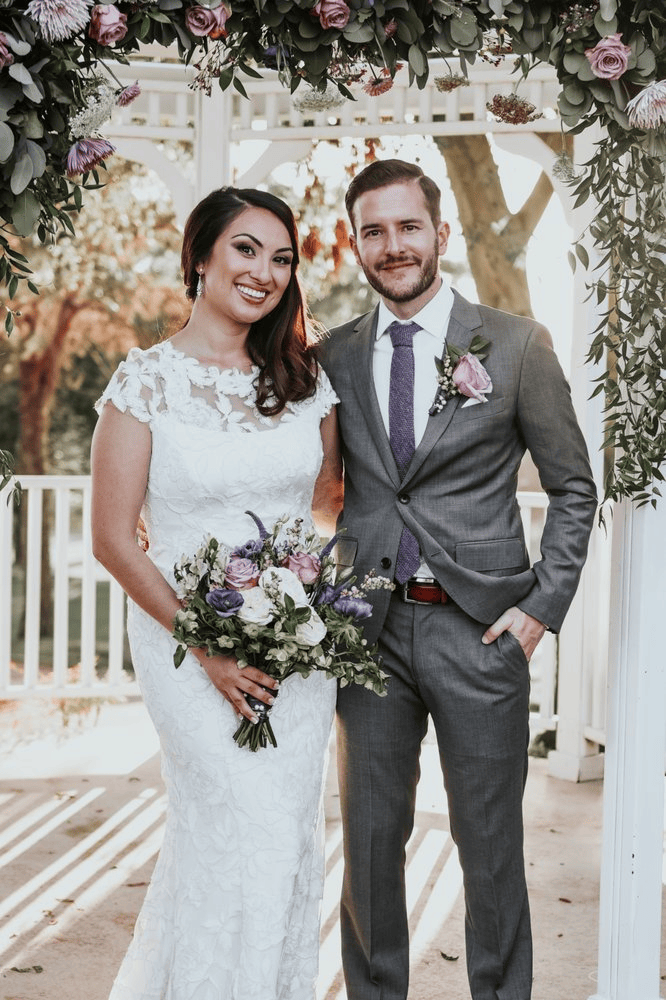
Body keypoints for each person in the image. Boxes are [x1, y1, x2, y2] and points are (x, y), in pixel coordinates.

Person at [319, 159, 597, 1000]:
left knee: (489, 848)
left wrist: (539, 610)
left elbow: (574, 486)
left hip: (479, 631)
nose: (393, 245)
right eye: (374, 231)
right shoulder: (330, 355)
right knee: (369, 847)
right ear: (356, 245)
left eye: (408, 227)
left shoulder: (513, 345)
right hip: (366, 635)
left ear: (441, 234)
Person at [91, 186, 343, 1000]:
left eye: (281, 258)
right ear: (200, 255)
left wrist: (298, 598)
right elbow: (110, 538)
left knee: (283, 840)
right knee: (231, 826)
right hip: (182, 647)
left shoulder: (307, 380)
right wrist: (206, 644)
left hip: (294, 650)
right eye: (245, 249)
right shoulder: (145, 382)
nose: (264, 273)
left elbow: (331, 501)